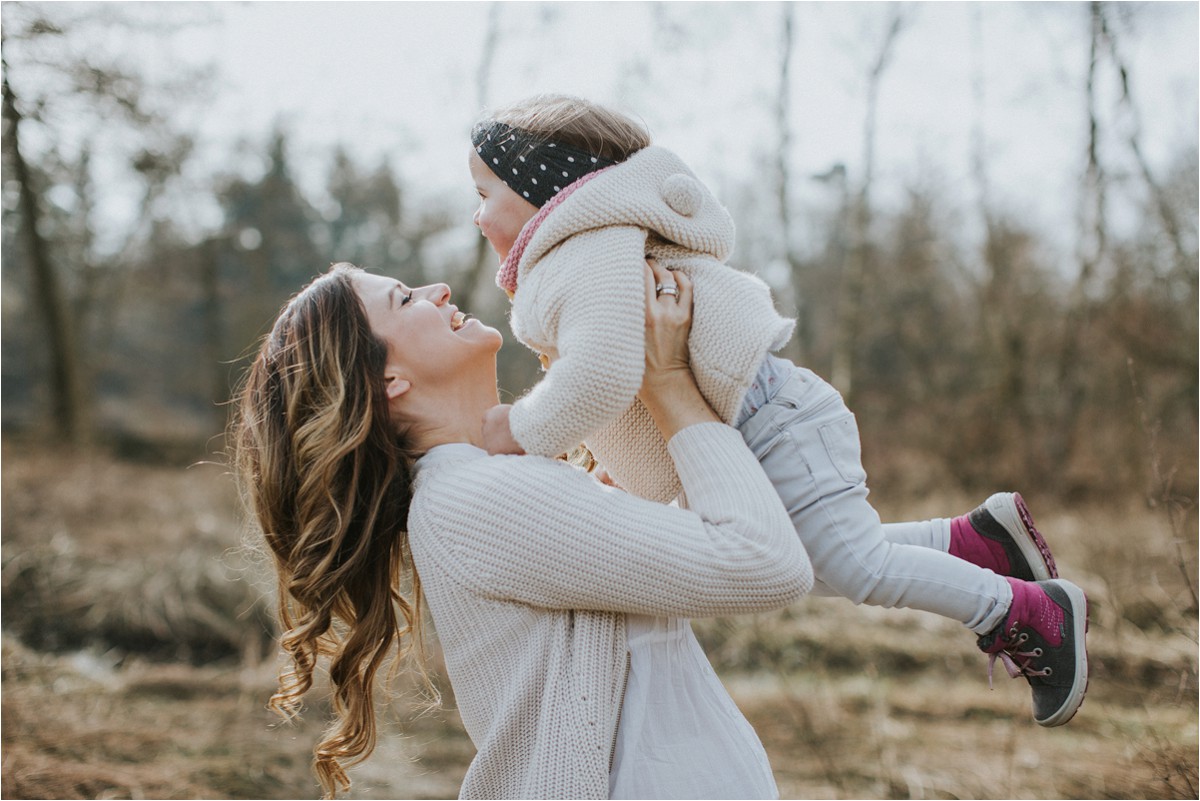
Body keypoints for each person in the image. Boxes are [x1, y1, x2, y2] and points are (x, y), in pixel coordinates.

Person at [467, 93, 1089, 728]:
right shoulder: (590, 245)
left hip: (772, 421)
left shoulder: (587, 246)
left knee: (859, 568)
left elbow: (603, 370)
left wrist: (517, 431)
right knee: (815, 562)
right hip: (759, 423)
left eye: (485, 193)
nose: (477, 215)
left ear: (536, 185)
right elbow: (622, 380)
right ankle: (974, 542)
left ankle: (1028, 614)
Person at [231, 259, 814, 799]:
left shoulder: (491, 486)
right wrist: (669, 382)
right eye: (406, 299)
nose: (439, 291)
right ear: (389, 382)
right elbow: (763, 562)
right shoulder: (477, 498)